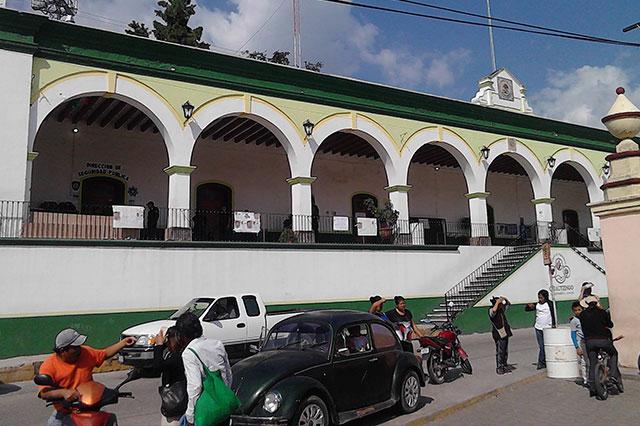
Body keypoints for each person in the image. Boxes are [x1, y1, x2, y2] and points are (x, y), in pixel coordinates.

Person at [37, 328, 136, 426]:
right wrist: (64, 392)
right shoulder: (49, 365)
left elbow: (104, 354)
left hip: (90, 406)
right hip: (65, 410)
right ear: (63, 350)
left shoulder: (85, 352)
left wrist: (123, 343)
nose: (79, 349)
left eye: (79, 346)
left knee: (106, 420)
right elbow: (44, 393)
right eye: (75, 347)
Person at [176, 312, 233, 426]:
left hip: (205, 410)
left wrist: (190, 416)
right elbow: (228, 375)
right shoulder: (217, 344)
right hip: (223, 406)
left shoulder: (189, 353)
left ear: (182, 335)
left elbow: (195, 386)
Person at [579, 295, 623, 397]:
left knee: (592, 363)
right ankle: (612, 376)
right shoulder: (602, 312)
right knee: (613, 354)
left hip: (589, 342)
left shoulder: (582, 314)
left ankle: (592, 386)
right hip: (603, 340)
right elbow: (610, 325)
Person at [154, 327, 187, 425]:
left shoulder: (177, 357)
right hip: (178, 402)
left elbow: (158, 366)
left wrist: (159, 345)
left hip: (175, 403)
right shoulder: (173, 354)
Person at [525, 289, 556, 369]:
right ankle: (541, 363)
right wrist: (528, 306)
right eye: (539, 297)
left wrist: (553, 324)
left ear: (545, 297)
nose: (540, 299)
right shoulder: (537, 305)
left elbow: (553, 314)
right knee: (541, 346)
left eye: (541, 298)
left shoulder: (550, 304)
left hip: (548, 328)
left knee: (547, 346)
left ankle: (546, 361)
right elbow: (527, 309)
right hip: (538, 327)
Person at [489, 296, 513, 375]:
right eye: (500, 304)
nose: (501, 305)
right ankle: (499, 367)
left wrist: (504, 299)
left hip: (504, 332)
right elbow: (493, 311)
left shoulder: (501, 310)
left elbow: (508, 304)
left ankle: (504, 365)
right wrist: (498, 302)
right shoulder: (491, 310)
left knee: (505, 351)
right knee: (500, 351)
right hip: (498, 334)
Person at [569, 301, 588, 387]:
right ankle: (585, 379)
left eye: (579, 310)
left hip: (589, 341)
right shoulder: (574, 321)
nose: (577, 312)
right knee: (584, 362)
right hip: (580, 342)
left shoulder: (587, 317)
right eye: (575, 310)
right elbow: (573, 335)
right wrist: (577, 347)